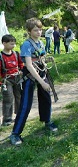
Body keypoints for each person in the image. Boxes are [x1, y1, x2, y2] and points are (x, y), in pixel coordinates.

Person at [10, 18, 58, 146]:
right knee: (25, 105)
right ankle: (15, 134)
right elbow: (29, 65)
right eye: (35, 30)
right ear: (29, 31)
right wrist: (42, 83)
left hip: (42, 72)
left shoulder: (40, 43)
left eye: (40, 29)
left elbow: (41, 58)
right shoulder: (26, 45)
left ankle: (47, 121)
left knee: (46, 99)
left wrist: (46, 60)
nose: (39, 32)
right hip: (30, 76)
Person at [0, 34, 24, 126]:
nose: (13, 46)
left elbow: (21, 64)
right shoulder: (1, 56)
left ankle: (19, 114)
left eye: (14, 44)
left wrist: (22, 70)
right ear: (4, 43)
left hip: (17, 78)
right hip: (7, 80)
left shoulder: (16, 54)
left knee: (19, 97)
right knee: (8, 99)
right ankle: (7, 119)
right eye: (11, 44)